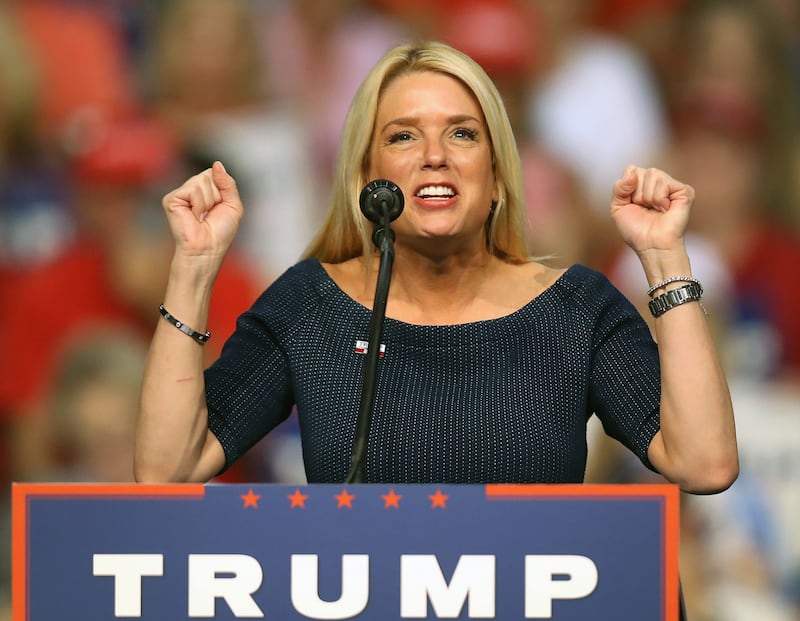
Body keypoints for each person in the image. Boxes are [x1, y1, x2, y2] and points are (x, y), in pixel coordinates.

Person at [134, 41, 738, 493]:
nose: (433, 157)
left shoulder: (575, 309)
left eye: (462, 134)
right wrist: (193, 265)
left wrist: (663, 259)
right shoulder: (310, 306)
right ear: (366, 179)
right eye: (402, 137)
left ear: (498, 175)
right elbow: (170, 468)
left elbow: (703, 463)